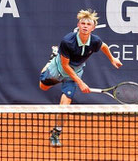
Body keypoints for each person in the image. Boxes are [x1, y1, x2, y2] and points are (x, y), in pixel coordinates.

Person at [39, 9, 123, 146]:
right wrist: (81, 83)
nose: (85, 26)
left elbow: (104, 46)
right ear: (78, 25)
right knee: (43, 87)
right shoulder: (67, 41)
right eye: (82, 23)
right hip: (59, 68)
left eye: (88, 24)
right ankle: (53, 58)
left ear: (93, 27)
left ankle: (56, 132)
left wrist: (112, 58)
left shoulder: (95, 41)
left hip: (75, 73)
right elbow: (66, 66)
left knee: (64, 107)